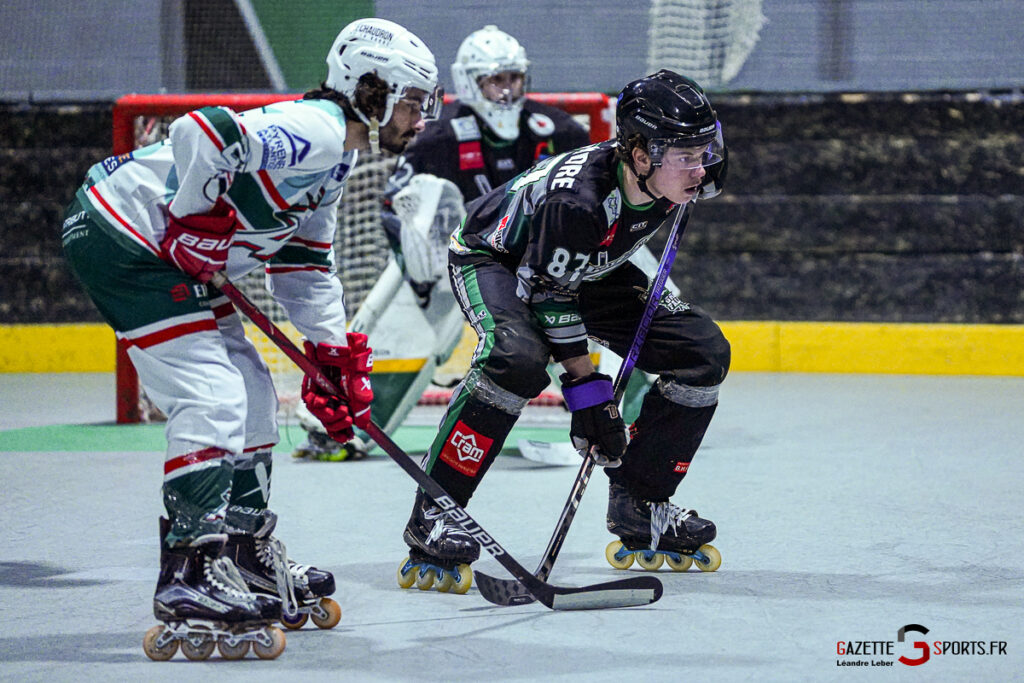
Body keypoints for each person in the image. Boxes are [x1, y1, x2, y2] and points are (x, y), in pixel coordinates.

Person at [60, 18, 441, 658]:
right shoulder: (316, 127)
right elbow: (201, 131)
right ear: (371, 90)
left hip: (164, 250)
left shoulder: (337, 156)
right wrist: (195, 216)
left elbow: (303, 263)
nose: (420, 118)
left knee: (254, 391)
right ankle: (190, 569)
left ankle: (243, 550)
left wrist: (330, 353)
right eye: (411, 101)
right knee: (212, 395)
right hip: (122, 236)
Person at [396, 70, 730, 592]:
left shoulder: (681, 172)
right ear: (640, 156)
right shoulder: (579, 200)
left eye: (705, 149)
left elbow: (572, 274)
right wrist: (588, 394)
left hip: (586, 265)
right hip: (498, 260)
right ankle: (435, 512)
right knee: (517, 359)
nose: (702, 165)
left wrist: (695, 161)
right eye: (686, 154)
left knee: (702, 352)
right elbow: (549, 293)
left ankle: (640, 504)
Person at [292, 24, 591, 462]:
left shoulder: (557, 130)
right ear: (472, 81)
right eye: (496, 79)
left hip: (547, 261)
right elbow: (398, 205)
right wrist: (418, 267)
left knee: (640, 280)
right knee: (411, 303)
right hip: (464, 264)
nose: (507, 91)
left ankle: (632, 416)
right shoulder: (438, 134)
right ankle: (337, 426)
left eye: (514, 78)